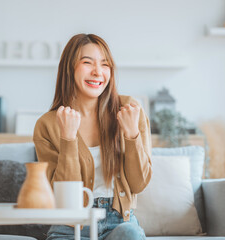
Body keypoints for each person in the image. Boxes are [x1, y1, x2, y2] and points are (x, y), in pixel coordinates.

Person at [33, 33, 152, 240]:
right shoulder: (47, 124)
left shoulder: (130, 110)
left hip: (120, 222)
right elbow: (61, 198)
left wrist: (132, 135)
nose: (98, 72)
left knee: (131, 235)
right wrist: (68, 139)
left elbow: (139, 184)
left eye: (105, 65)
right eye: (87, 63)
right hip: (70, 226)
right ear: (69, 69)